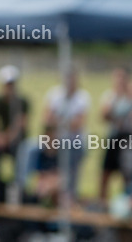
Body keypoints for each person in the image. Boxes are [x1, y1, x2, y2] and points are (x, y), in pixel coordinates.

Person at [43, 69, 90, 203]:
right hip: (54, 140)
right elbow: (47, 119)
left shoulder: (82, 97)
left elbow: (78, 124)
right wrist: (65, 123)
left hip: (74, 142)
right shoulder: (54, 94)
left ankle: (70, 195)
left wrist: (59, 121)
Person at [0, 64, 29, 201]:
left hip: (18, 141)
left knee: (19, 158)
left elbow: (20, 123)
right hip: (3, 139)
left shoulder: (22, 101)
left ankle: (18, 190)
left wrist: (8, 137)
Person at [99, 66, 132, 202]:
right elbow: (104, 115)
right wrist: (116, 98)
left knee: (127, 173)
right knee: (105, 171)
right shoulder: (110, 96)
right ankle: (102, 201)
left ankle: (126, 198)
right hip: (113, 137)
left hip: (128, 138)